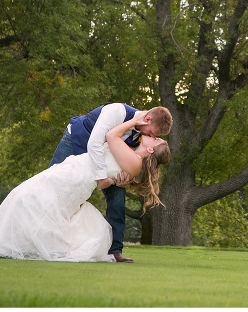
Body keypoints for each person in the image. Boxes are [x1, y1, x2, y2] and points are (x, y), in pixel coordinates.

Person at [0, 113, 171, 262]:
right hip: (76, 169)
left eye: (155, 139)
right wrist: (115, 180)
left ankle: (23, 245)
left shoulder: (134, 162)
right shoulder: (131, 152)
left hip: (78, 176)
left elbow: (111, 135)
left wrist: (134, 120)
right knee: (36, 198)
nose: (151, 135)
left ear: (151, 149)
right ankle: (23, 243)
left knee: (34, 197)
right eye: (156, 135)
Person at [47, 103, 173, 262]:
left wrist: (124, 178)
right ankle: (46, 236)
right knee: (52, 187)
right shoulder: (118, 111)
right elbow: (94, 143)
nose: (152, 137)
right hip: (77, 140)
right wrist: (101, 178)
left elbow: (129, 158)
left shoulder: (142, 136)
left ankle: (115, 250)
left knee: (118, 199)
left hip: (105, 161)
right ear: (147, 119)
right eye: (153, 133)